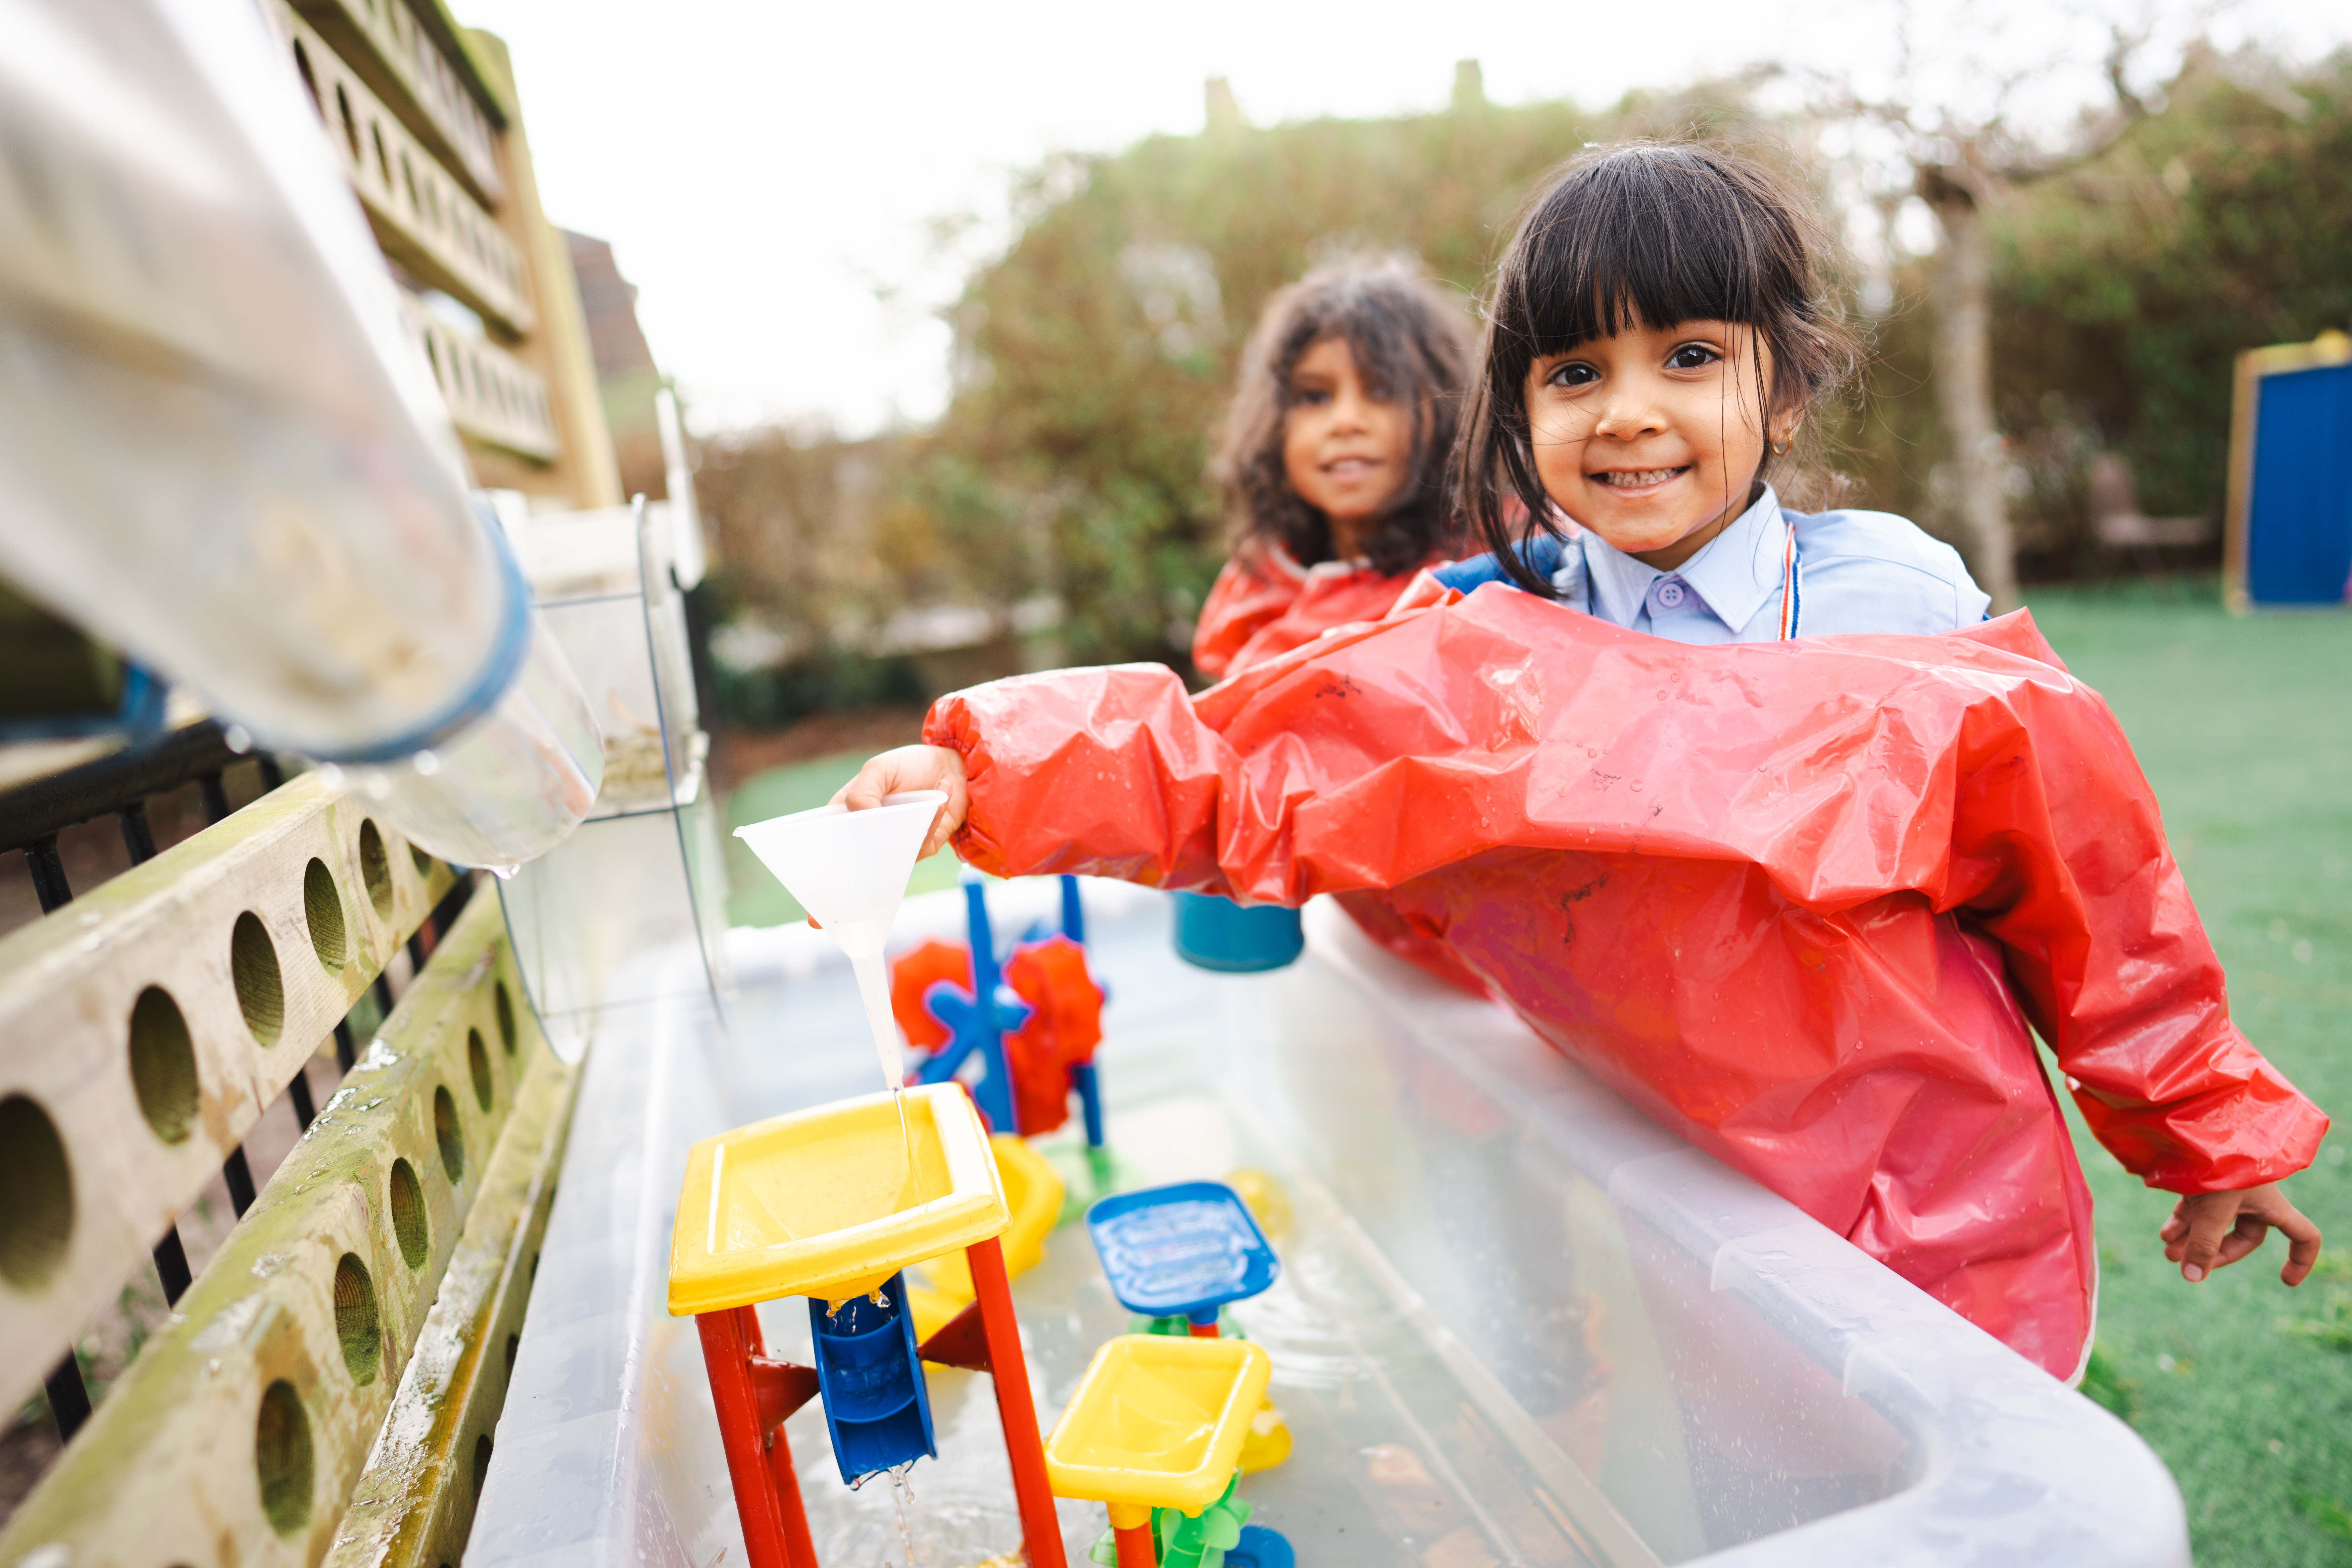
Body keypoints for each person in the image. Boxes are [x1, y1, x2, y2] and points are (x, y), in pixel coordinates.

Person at [834, 143, 2326, 1382]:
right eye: (1573, 371)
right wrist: (983, 773)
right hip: (1660, 1211)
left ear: (1786, 390)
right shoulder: (1491, 633)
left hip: (1937, 1201)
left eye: (1689, 356)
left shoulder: (1902, 604)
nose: (1628, 410)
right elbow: (1247, 762)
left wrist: (2207, 1130)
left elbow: (2090, 895)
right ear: (1522, 413)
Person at [1190, 256, 1471, 681]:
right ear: (1273, 425)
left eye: (1382, 391)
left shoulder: (1496, 572)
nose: (1346, 421)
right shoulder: (1253, 596)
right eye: (1315, 397)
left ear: (1446, 409)